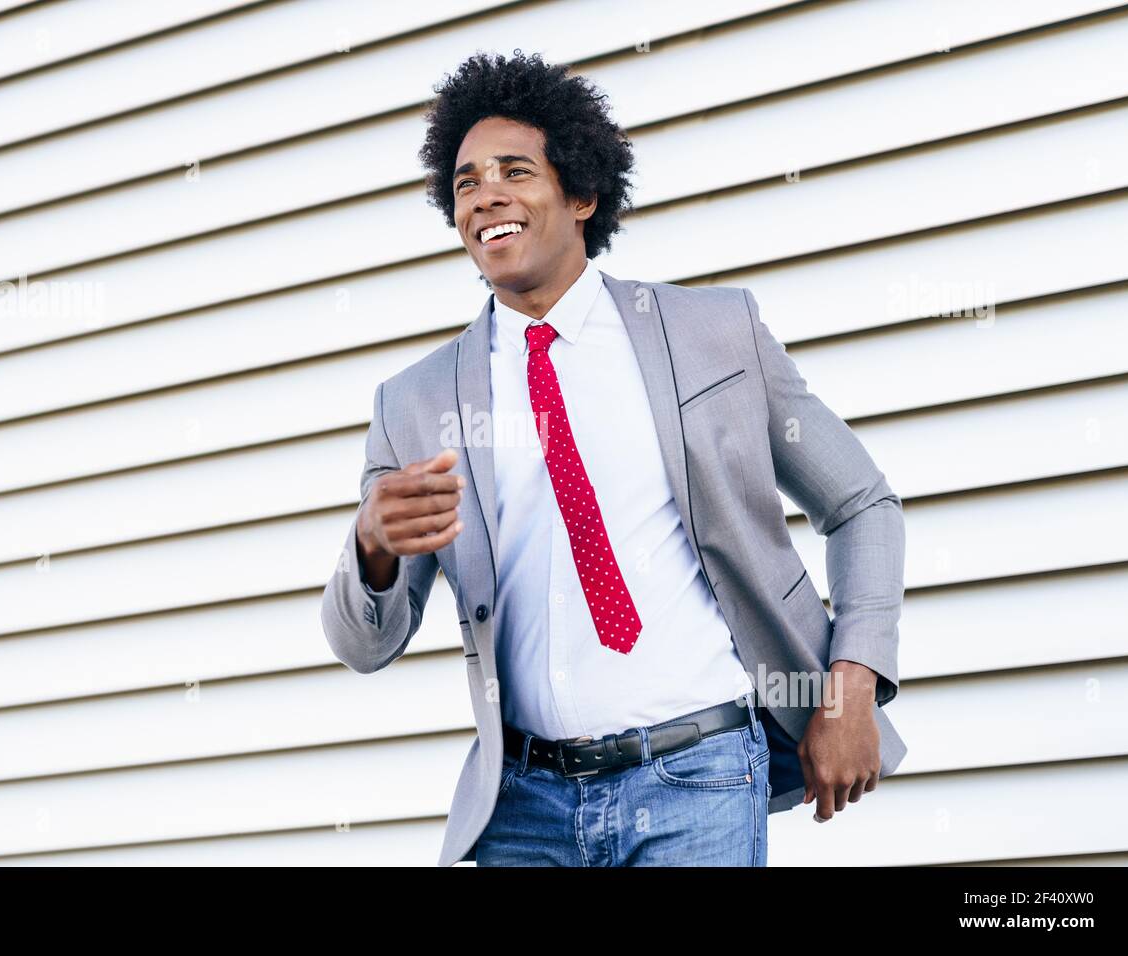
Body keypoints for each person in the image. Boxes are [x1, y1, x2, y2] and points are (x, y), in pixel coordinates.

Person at [321, 50, 907, 866]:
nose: (485, 194)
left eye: (514, 171)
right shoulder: (413, 402)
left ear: (583, 194)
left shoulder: (712, 335)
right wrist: (372, 547)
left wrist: (849, 687)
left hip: (696, 781)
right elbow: (363, 644)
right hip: (521, 811)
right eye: (464, 183)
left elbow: (861, 504)